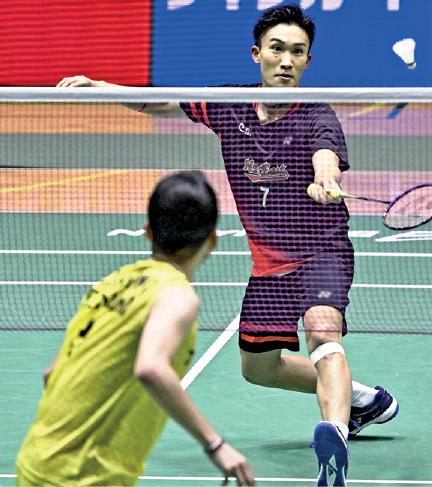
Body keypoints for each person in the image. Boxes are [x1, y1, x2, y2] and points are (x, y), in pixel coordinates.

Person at [57, 5, 399, 486]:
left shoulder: (318, 114)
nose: (286, 60)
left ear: (307, 61)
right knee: (259, 369)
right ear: (257, 54)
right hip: (269, 264)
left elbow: (327, 155)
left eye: (297, 52)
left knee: (324, 334)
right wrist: (99, 89)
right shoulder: (230, 104)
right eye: (277, 49)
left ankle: (334, 437)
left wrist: (326, 176)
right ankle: (365, 401)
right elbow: (161, 103)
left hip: (323, 252)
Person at [16, 172, 256, 487]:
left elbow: (52, 374)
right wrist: (216, 445)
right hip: (84, 477)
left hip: (35, 461)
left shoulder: (110, 284)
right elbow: (151, 367)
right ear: (213, 239)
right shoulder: (177, 295)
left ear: (147, 232)